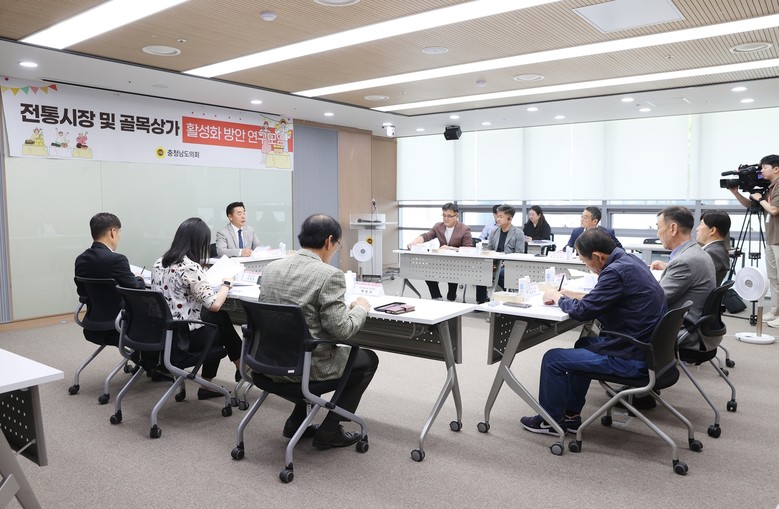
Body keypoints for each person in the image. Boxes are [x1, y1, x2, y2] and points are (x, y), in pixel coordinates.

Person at [520, 229, 667, 434]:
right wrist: (573, 295)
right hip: (649, 351)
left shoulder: (614, 272)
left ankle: (550, 421)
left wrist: (558, 297)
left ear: (598, 257)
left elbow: (582, 312)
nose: (586, 266)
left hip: (632, 357)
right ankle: (571, 415)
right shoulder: (630, 261)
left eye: (584, 261)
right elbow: (608, 297)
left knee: (552, 359)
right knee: (584, 343)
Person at [260, 214, 379, 449]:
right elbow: (341, 330)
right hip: (307, 366)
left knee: (302, 345)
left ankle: (296, 421)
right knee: (368, 360)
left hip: (269, 360)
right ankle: (330, 429)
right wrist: (361, 308)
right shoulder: (329, 275)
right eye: (337, 245)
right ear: (329, 241)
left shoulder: (271, 268)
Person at [151, 218, 243, 399]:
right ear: (198, 243)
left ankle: (238, 367)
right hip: (182, 337)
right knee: (219, 326)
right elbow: (214, 304)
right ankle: (233, 370)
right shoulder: (190, 267)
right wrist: (226, 284)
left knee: (219, 318)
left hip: (162, 331)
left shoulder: (159, 262)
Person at [649, 206, 716, 350]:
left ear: (673, 229)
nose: (657, 233)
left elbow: (655, 301)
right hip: (693, 324)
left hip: (681, 331)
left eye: (659, 227)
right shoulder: (695, 252)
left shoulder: (685, 261)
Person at [74, 212, 146, 339]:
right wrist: (139, 278)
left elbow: (83, 293)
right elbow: (137, 291)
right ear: (113, 232)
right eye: (119, 232)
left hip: (92, 324)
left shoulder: (81, 259)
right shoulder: (117, 260)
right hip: (119, 325)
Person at [728, 155, 779, 324]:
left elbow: (774, 210)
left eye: (764, 167)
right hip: (772, 238)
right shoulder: (769, 188)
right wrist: (736, 193)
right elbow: (751, 206)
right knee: (774, 278)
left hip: (778, 239)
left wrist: (760, 198)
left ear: (776, 169)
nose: (761, 171)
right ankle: (775, 312)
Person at [407, 202, 474, 301]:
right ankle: (436, 296)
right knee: (427, 271)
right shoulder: (438, 226)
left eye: (449, 216)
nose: (446, 219)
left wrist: (450, 248)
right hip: (441, 260)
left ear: (457, 216)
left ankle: (452, 294)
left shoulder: (464, 229)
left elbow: (468, 248)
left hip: (458, 262)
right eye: (444, 215)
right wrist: (414, 242)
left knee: (453, 273)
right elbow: (427, 236)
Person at [475, 205, 525, 304]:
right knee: (481, 270)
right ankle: (481, 300)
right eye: (497, 216)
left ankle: (508, 296)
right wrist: (491, 262)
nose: (497, 219)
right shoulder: (494, 231)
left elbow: (519, 253)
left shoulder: (518, 233)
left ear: (509, 218)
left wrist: (505, 263)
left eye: (501, 217)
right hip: (495, 262)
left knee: (501, 274)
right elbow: (490, 249)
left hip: (509, 264)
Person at [697, 210, 731, 286]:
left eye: (701, 224)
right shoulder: (719, 250)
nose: (697, 229)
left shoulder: (712, 253)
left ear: (712, 230)